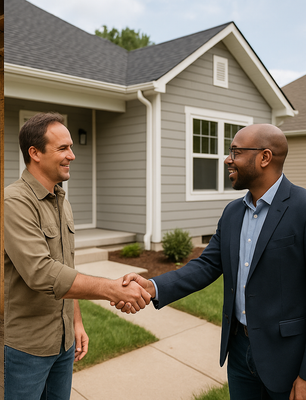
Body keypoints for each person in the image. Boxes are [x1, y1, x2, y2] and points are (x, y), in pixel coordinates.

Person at [117, 124, 306, 399]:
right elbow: (206, 265)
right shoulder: (232, 213)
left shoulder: (302, 208)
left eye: (236, 152)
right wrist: (152, 286)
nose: (228, 159)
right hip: (239, 351)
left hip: (287, 356)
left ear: (265, 158)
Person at [4, 112, 152, 400]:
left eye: (71, 147)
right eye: (63, 148)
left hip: (63, 343)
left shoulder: (61, 200)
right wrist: (110, 288)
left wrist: (76, 322)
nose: (72, 155)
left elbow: (65, 268)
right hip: (26, 349)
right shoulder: (15, 202)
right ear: (34, 153)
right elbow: (42, 273)